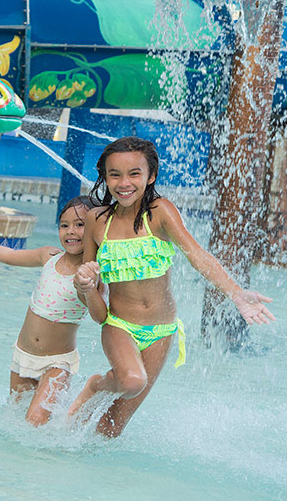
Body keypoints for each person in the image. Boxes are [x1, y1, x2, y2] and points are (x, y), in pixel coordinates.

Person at [69, 136, 275, 437]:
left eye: (134, 174)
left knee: (113, 428)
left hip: (161, 331)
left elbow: (197, 255)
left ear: (150, 176)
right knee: (130, 381)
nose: (124, 183)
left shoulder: (159, 212)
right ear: (104, 177)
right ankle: (96, 385)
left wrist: (236, 292)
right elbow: (96, 307)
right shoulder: (96, 220)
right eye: (115, 174)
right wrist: (85, 287)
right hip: (119, 325)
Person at [0, 195, 95, 426]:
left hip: (57, 362)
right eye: (64, 225)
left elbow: (103, 305)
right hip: (24, 355)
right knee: (17, 420)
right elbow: (11, 256)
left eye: (80, 225)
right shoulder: (49, 256)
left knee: (36, 419)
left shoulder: (90, 272)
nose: (71, 231)